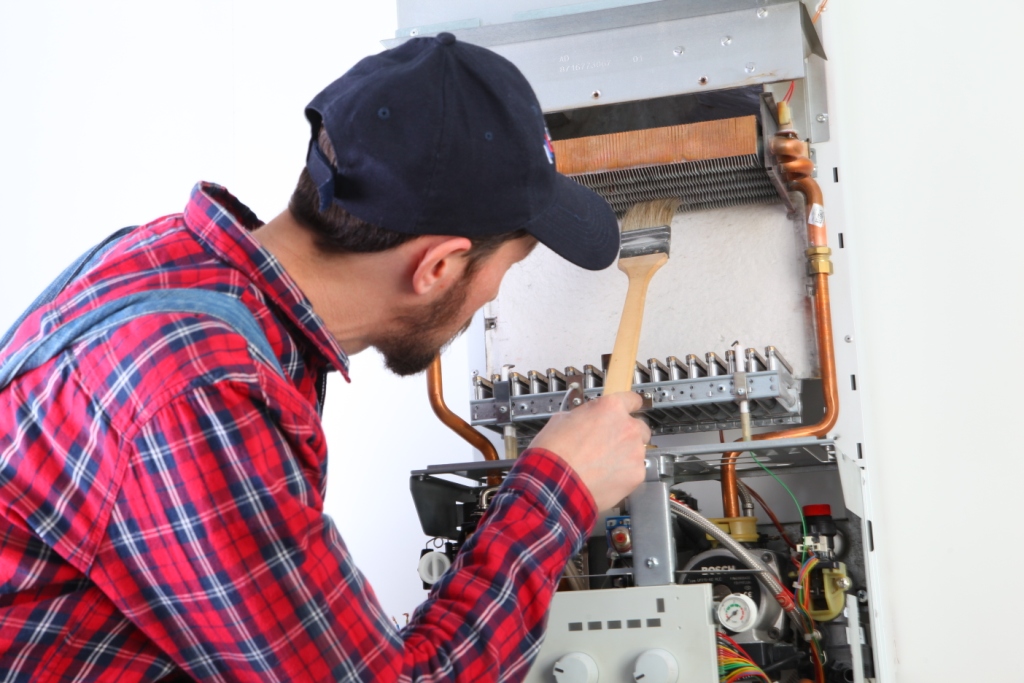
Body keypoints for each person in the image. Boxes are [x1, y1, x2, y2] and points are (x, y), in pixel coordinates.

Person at [0, 34, 649, 681]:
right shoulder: (200, 387)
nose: (491, 296)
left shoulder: (175, 266)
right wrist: (558, 490)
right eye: (506, 268)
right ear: (438, 265)